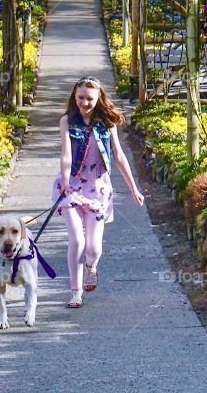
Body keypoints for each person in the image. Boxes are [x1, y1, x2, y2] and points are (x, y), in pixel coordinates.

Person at [53, 75, 144, 308]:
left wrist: (134, 188)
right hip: (72, 186)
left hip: (98, 189)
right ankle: (75, 292)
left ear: (99, 98)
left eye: (90, 99)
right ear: (75, 96)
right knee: (77, 240)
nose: (85, 103)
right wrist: (64, 180)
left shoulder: (107, 122)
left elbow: (119, 155)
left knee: (93, 248)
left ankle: (91, 266)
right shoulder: (67, 121)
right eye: (81, 97)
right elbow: (65, 155)